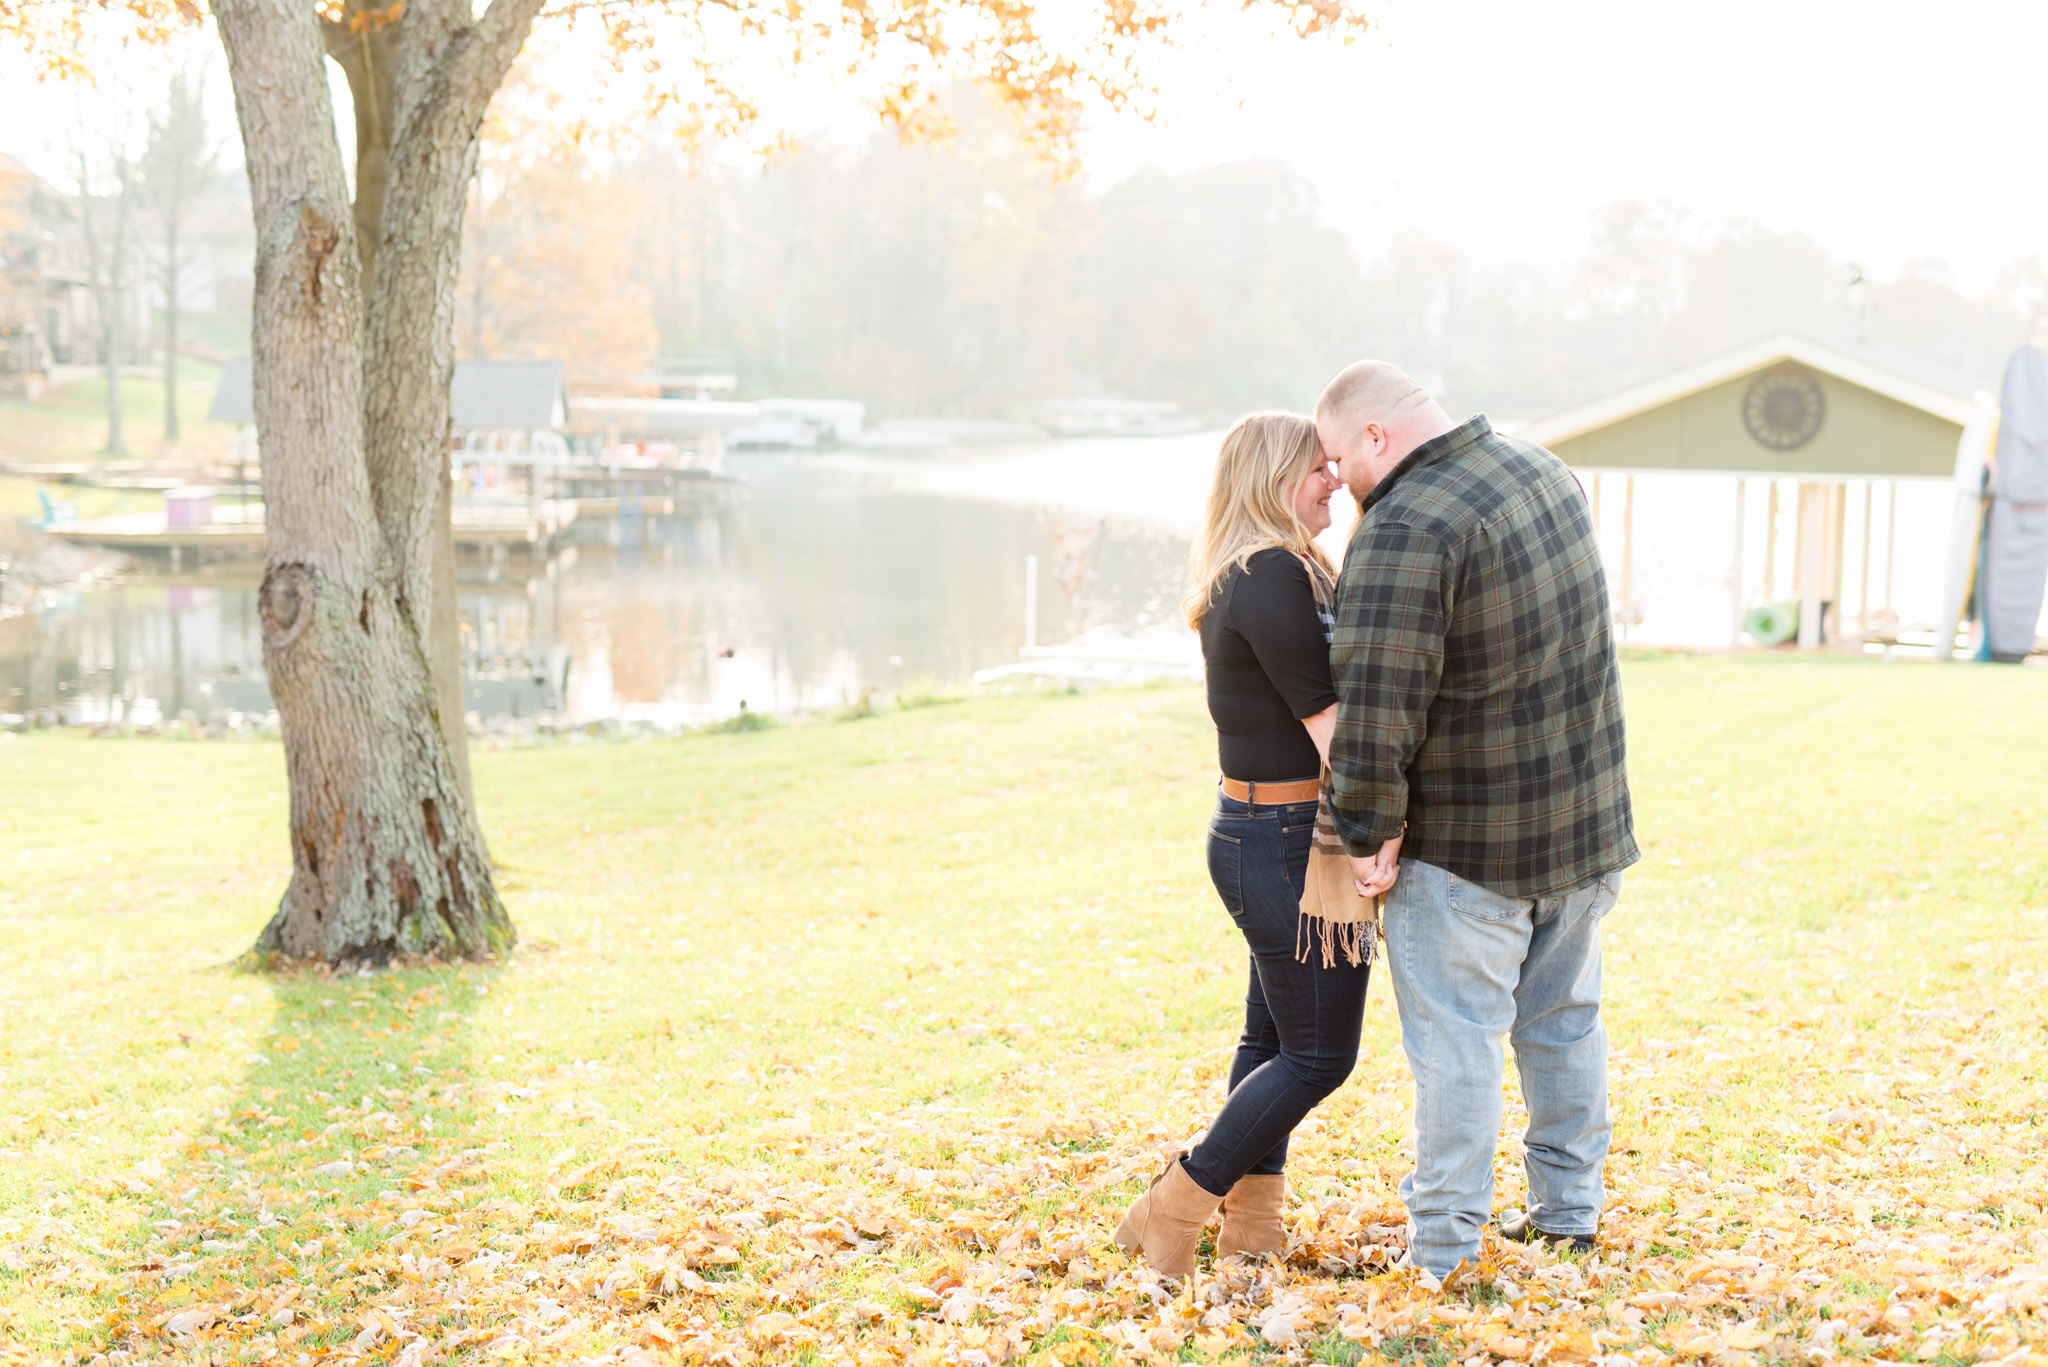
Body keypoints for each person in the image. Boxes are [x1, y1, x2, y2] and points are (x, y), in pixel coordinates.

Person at [1313, 361, 1639, 1283]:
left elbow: (1378, 706)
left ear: (1376, 434)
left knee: (1455, 1046)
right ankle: (1568, 1213)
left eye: (1340, 458)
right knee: (1564, 1023)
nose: (1339, 485)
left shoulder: (1408, 524)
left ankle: (1446, 1250)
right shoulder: (1545, 470)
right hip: (1581, 829)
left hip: (1469, 851)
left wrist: (1364, 834)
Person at [1113, 411, 1371, 1278]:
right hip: (1283, 838)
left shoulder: (1286, 566)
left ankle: (1253, 1225)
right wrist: (1380, 835)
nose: (1333, 480)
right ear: (1270, 477)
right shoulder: (1266, 577)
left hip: (1276, 831)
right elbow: (1330, 727)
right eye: (1316, 469)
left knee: (1272, 1042)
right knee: (1319, 1055)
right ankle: (1176, 1202)